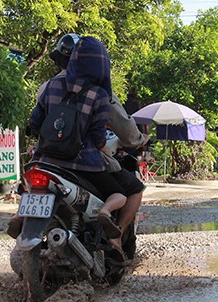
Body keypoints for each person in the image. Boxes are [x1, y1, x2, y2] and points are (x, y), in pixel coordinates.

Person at [36, 33, 148, 250]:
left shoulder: (47, 88)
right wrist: (137, 139)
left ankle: (20, 220)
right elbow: (113, 133)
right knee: (132, 189)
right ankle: (116, 237)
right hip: (84, 161)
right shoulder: (99, 94)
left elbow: (36, 123)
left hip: (45, 158)